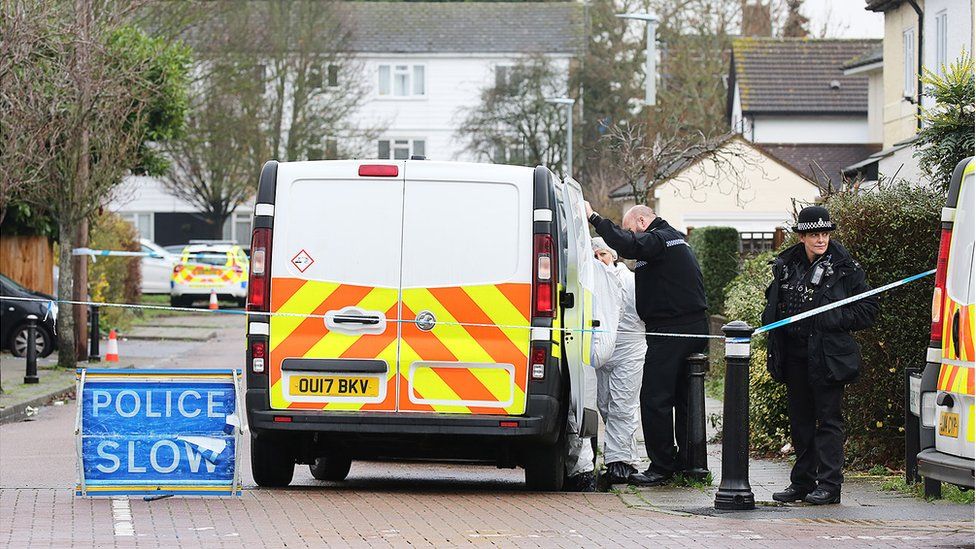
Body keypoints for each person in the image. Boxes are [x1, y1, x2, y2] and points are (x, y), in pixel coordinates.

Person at [585, 203, 708, 486]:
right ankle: (690, 464)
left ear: (642, 221)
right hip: (687, 326)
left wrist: (594, 218)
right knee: (684, 397)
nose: (633, 238)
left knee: (655, 398)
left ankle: (662, 466)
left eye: (631, 230)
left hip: (671, 330)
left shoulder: (661, 239)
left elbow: (627, 244)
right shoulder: (672, 239)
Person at [763, 206, 878, 505]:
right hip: (794, 355)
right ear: (802, 236)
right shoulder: (786, 264)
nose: (821, 240)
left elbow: (868, 310)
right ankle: (802, 483)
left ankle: (829, 486)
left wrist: (833, 319)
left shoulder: (845, 267)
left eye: (825, 234)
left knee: (828, 421)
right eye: (815, 234)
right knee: (800, 422)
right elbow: (776, 303)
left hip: (827, 357)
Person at [591, 237, 647, 485]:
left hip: (629, 350)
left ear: (613, 255)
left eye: (602, 254)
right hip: (602, 351)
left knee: (622, 406)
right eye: (594, 256)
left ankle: (619, 464)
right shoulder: (592, 283)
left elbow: (643, 314)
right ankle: (627, 458)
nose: (598, 260)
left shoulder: (630, 281)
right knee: (605, 405)